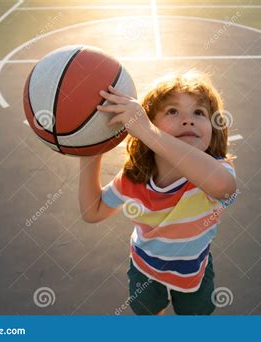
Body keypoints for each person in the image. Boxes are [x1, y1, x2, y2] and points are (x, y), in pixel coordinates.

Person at [78, 70, 238, 315]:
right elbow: (93, 211)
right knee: (149, 316)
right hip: (145, 267)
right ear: (149, 121)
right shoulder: (134, 178)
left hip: (194, 269)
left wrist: (147, 130)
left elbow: (224, 188)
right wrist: (90, 151)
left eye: (199, 112)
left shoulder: (215, 171)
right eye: (172, 111)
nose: (188, 120)